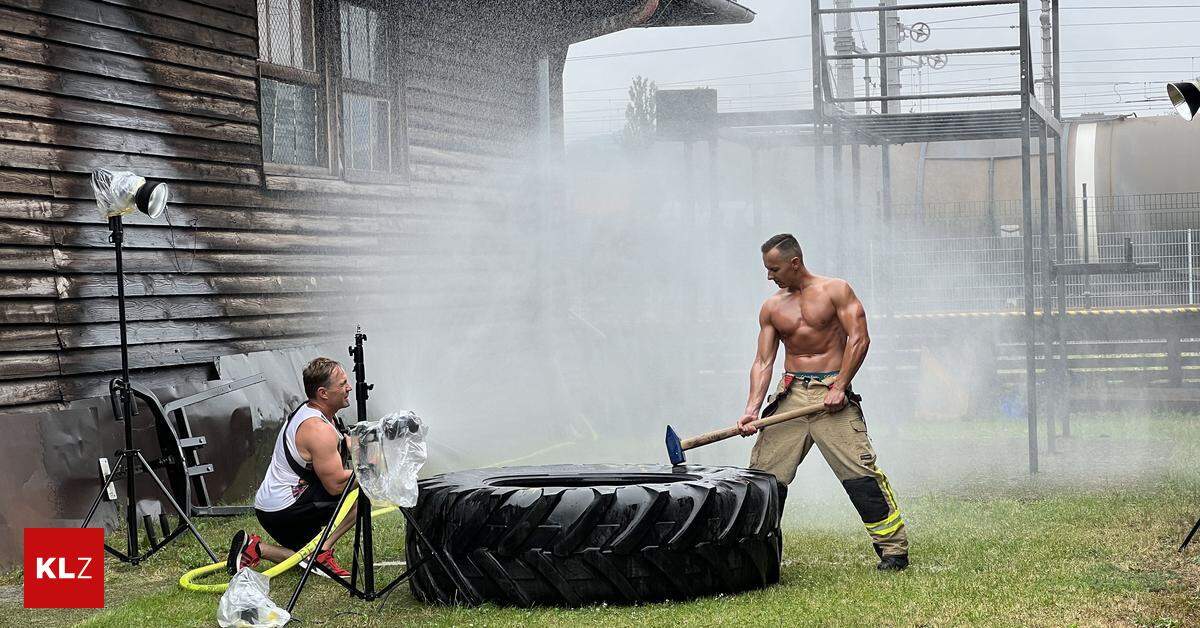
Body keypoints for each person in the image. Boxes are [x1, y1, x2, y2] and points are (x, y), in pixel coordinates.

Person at [736, 234, 909, 571]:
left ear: (794, 263)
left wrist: (840, 386)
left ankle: (893, 550)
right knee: (763, 480)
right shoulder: (772, 307)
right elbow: (763, 361)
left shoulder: (835, 290)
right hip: (791, 396)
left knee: (860, 475)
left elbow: (859, 338)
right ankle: (757, 555)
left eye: (773, 269)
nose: (769, 276)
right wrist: (751, 409)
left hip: (832, 395)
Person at [227, 357, 357, 577]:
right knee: (364, 492)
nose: (349, 387)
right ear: (323, 393)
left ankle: (255, 548)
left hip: (274, 507)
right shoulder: (317, 429)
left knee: (305, 560)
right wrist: (373, 466)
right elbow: (336, 486)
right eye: (343, 384)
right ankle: (322, 551)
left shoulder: (315, 413)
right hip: (285, 511)